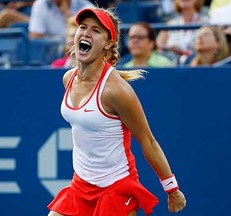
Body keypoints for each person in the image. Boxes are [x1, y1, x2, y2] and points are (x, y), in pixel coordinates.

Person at [47, 7, 186, 216]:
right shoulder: (69, 79)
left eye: (96, 31)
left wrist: (172, 189)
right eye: (83, 27)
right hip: (80, 186)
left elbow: (148, 141)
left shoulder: (116, 90)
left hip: (117, 189)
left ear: (108, 44)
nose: (86, 33)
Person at [28, 0, 93, 39]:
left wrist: (66, 12)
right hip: (50, 55)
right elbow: (35, 37)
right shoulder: (41, 4)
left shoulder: (86, 7)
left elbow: (79, 37)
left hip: (75, 55)